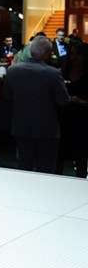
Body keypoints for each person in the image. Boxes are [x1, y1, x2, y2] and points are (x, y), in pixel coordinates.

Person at [3, 35, 73, 173]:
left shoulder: (12, 70)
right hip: (46, 129)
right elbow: (64, 101)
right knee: (45, 169)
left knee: (24, 167)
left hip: (21, 126)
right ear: (46, 53)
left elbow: (7, 96)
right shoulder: (53, 74)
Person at [56, 41, 88, 178]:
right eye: (72, 54)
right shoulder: (61, 73)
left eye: (78, 54)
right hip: (62, 118)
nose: (74, 57)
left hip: (82, 120)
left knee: (81, 157)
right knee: (59, 156)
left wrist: (79, 101)